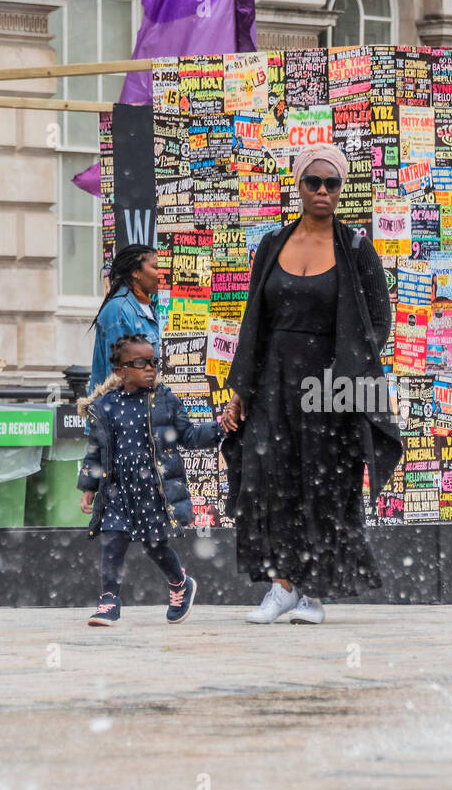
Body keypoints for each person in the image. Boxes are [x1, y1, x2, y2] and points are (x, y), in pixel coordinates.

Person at [220, 142, 401, 625]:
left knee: (324, 487)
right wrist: (239, 389)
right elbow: (253, 320)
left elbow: (379, 321)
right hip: (273, 382)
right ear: (298, 185)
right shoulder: (273, 244)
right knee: (268, 481)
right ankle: (280, 587)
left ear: (341, 189)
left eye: (332, 183)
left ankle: (312, 595)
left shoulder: (358, 248)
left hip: (330, 387)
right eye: (313, 182)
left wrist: (348, 374)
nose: (322, 191)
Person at [76, 333, 223, 626]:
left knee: (155, 546)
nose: (150, 368)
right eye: (141, 363)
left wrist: (222, 428)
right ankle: (108, 601)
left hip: (153, 492)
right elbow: (96, 450)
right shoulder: (106, 406)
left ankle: (180, 583)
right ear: (120, 371)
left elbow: (190, 436)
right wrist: (89, 486)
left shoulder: (164, 400)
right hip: (116, 491)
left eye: (154, 362)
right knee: (113, 541)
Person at [88, 244, 161, 394]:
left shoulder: (150, 309)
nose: (162, 273)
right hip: (122, 412)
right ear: (135, 272)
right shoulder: (119, 310)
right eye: (156, 267)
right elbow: (121, 377)